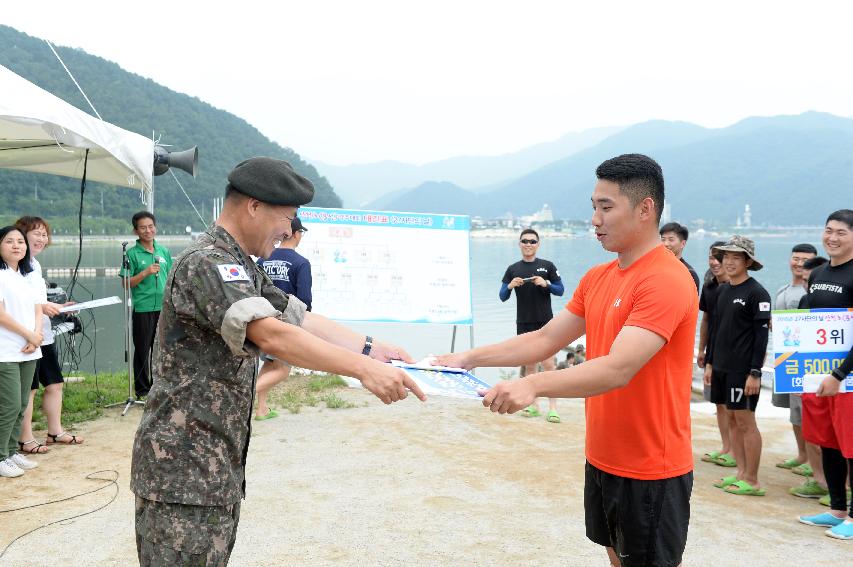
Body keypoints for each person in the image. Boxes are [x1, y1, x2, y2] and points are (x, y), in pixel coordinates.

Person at [130, 157, 426, 565]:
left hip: (213, 468)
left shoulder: (240, 265)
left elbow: (297, 316)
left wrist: (372, 347)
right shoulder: (207, 263)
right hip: (182, 470)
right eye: (286, 217)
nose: (288, 231)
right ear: (253, 206)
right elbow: (270, 333)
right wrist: (364, 370)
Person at [438, 154, 698, 566]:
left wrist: (533, 385)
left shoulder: (667, 279)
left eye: (606, 207)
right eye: (594, 206)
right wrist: (467, 358)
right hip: (602, 454)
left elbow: (618, 368)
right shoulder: (599, 277)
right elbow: (544, 339)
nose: (594, 219)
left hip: (652, 467)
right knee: (615, 556)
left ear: (646, 209)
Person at [798, 209, 853, 540]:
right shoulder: (817, 273)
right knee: (829, 442)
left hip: (846, 378)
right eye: (828, 230)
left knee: (851, 446)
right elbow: (810, 318)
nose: (832, 237)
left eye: (841, 232)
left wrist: (840, 373)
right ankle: (837, 509)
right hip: (819, 376)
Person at [704, 236, 771, 497]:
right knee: (731, 418)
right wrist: (710, 363)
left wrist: (755, 372)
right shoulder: (723, 290)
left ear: (748, 261)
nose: (729, 262)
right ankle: (740, 473)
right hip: (721, 365)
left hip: (742, 370)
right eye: (726, 257)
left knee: (745, 421)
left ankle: (752, 479)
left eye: (736, 257)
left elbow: (762, 336)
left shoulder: (757, 293)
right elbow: (718, 330)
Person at [14, 217, 83, 453]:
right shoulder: (15, 266)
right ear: (22, 235)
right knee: (29, 389)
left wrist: (60, 307)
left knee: (55, 383)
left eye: (45, 234)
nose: (42, 239)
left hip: (44, 334)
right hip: (26, 337)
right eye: (37, 233)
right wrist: (43, 307)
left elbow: (40, 301)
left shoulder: (36, 265)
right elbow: (19, 303)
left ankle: (55, 431)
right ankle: (25, 438)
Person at [500, 228, 564, 423]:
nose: (528, 245)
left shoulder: (547, 266)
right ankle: (533, 405)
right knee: (529, 366)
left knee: (549, 365)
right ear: (519, 244)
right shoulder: (513, 269)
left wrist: (546, 284)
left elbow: (560, 290)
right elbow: (502, 296)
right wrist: (510, 286)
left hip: (546, 322)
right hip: (524, 322)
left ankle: (553, 409)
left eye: (532, 241)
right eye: (525, 241)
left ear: (538, 244)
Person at [254, 216, 312, 420]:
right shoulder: (301, 263)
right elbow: (304, 300)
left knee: (269, 365)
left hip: (261, 320)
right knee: (283, 370)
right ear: (295, 234)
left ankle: (262, 409)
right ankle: (247, 394)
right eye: (301, 233)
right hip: (286, 323)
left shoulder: (263, 259)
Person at [0, 226, 43, 478]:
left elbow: (38, 309)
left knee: (22, 404)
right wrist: (29, 335)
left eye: (20, 241)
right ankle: (0, 456)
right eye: (9, 241)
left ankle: (11, 449)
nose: (16, 245)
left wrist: (36, 336)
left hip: (30, 349)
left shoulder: (30, 275)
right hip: (5, 349)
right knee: (9, 404)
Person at [119, 211, 173, 399]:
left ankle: (160, 385)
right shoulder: (132, 254)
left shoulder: (163, 251)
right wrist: (145, 273)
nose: (148, 230)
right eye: (143, 227)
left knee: (162, 349)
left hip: (164, 308)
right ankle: (143, 389)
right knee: (143, 349)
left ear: (155, 228)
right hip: (143, 309)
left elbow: (171, 276)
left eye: (150, 226)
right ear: (136, 231)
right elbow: (125, 283)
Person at [698, 240, 736, 468]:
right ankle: (726, 447)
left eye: (719, 257)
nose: (714, 262)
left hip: (733, 356)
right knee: (719, 403)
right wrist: (702, 349)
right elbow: (706, 320)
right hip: (713, 353)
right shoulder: (710, 286)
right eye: (711, 257)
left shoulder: (738, 288)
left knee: (734, 408)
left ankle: (735, 450)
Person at [660, 221, 700, 292]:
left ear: (683, 243)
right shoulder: (656, 268)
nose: (665, 244)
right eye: (663, 239)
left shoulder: (689, 273)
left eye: (671, 239)